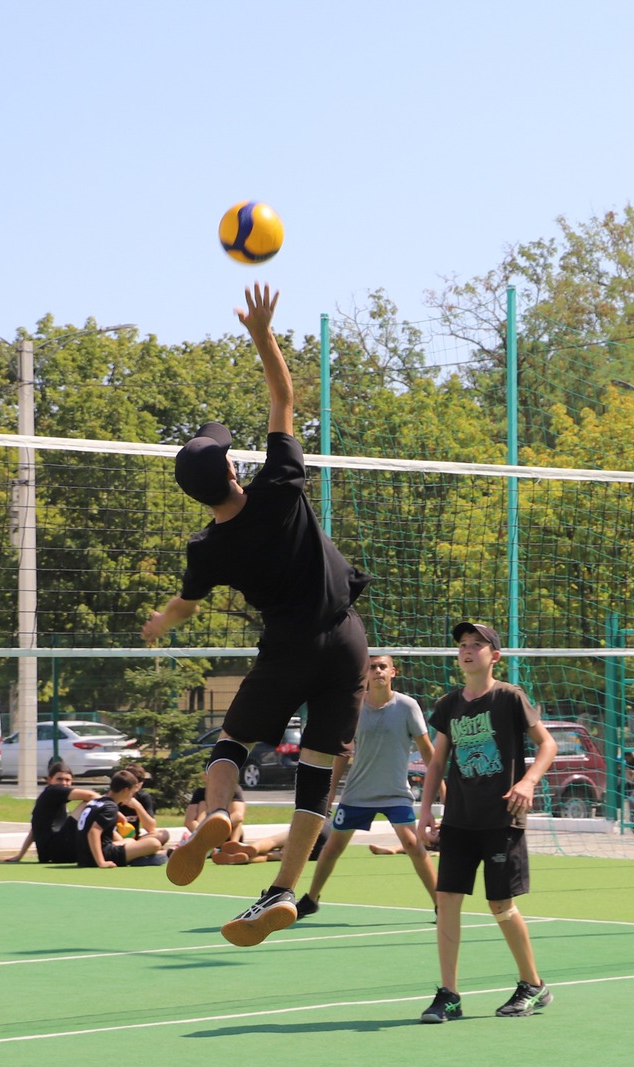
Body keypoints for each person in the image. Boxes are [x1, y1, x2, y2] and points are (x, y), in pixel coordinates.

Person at [142, 282, 370, 949]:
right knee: (318, 769)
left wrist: (162, 621)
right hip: (347, 642)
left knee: (232, 744)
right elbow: (284, 398)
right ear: (235, 471)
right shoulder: (279, 484)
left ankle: (218, 814)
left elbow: (185, 604)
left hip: (289, 647)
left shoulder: (208, 547)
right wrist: (262, 332)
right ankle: (282, 891)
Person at [414, 622, 558, 1023]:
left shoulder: (510, 697)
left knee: (500, 904)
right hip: (459, 819)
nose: (468, 650)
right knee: (447, 902)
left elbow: (548, 744)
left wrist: (528, 782)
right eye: (462, 644)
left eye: (477, 645)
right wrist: (426, 811)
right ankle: (449, 995)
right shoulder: (449, 705)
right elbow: (438, 762)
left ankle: (532, 984)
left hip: (501, 819)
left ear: (494, 656)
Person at [302, 654, 441, 919]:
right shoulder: (354, 708)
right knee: (332, 848)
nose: (377, 671)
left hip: (395, 793)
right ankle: (311, 898)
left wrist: (443, 789)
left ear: (393, 672)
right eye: (372, 667)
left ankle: (440, 904)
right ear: (365, 674)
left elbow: (427, 750)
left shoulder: (408, 706)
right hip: (358, 794)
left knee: (413, 844)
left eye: (382, 667)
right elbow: (342, 753)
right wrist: (330, 793)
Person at [75, 769, 170, 868]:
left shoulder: (95, 802)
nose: (132, 796)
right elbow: (93, 832)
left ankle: (141, 856)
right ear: (125, 790)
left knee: (130, 841)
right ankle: (141, 858)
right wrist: (101, 862)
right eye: (132, 792)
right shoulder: (111, 807)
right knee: (154, 843)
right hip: (99, 856)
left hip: (83, 856)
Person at [4, 760, 95, 864]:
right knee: (88, 804)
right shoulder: (53, 791)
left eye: (67, 780)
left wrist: (20, 855)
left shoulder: (50, 800)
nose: (64, 783)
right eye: (59, 779)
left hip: (48, 854)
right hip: (59, 851)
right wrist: (113, 809)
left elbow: (36, 829)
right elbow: (90, 796)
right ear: (50, 780)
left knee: (90, 807)